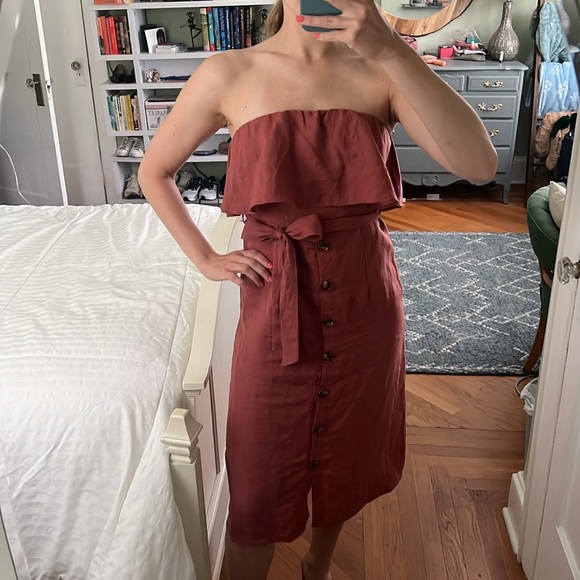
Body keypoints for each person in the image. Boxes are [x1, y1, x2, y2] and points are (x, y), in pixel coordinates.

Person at [138, 0, 497, 576]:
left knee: (349, 454)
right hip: (274, 299)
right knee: (257, 480)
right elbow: (153, 171)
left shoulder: (382, 69)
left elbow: (479, 165)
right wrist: (204, 257)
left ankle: (319, 566)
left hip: (365, 301)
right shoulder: (229, 72)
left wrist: (389, 49)